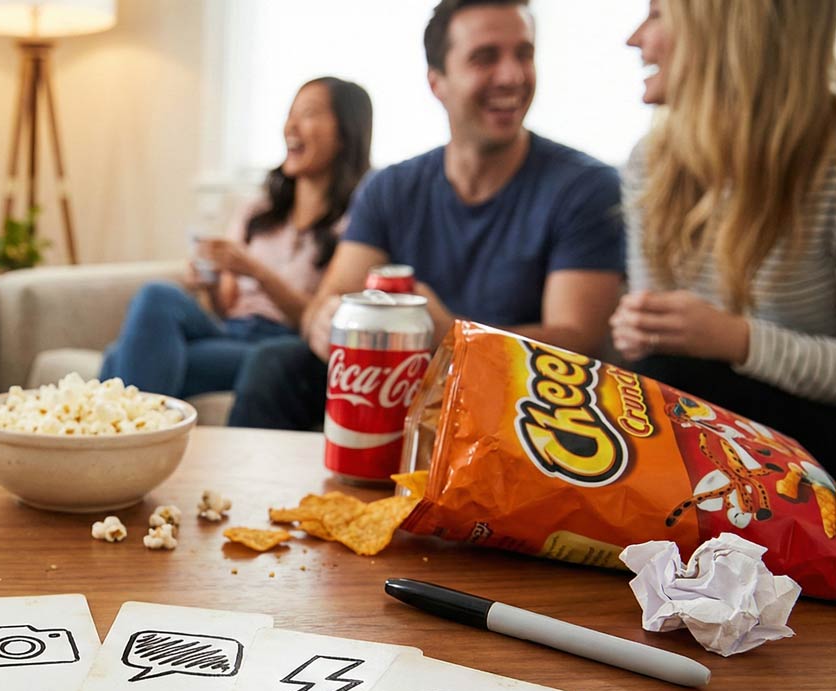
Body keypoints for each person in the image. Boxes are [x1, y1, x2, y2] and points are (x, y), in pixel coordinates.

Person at [227, 0, 625, 430]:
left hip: (517, 408)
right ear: (438, 82)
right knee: (275, 363)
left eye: (523, 54)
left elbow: (578, 343)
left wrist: (450, 337)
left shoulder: (585, 187)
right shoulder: (390, 189)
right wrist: (327, 322)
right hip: (397, 395)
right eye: (485, 57)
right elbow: (326, 304)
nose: (512, 76)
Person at [610, 0, 836, 466]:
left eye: (657, 15)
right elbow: (660, 356)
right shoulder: (649, 160)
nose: (635, 38)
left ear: (726, 34)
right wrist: (639, 328)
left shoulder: (827, 166)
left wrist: (738, 341)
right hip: (712, 437)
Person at [98, 77, 373, 400]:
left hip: (280, 348)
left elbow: (319, 322)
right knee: (157, 295)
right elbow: (226, 307)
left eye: (308, 114)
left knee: (121, 357)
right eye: (290, 114)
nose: (291, 126)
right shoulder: (257, 211)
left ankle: (115, 431)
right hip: (229, 332)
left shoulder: (358, 227)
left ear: (345, 132)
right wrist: (211, 282)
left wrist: (255, 270)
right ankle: (130, 431)